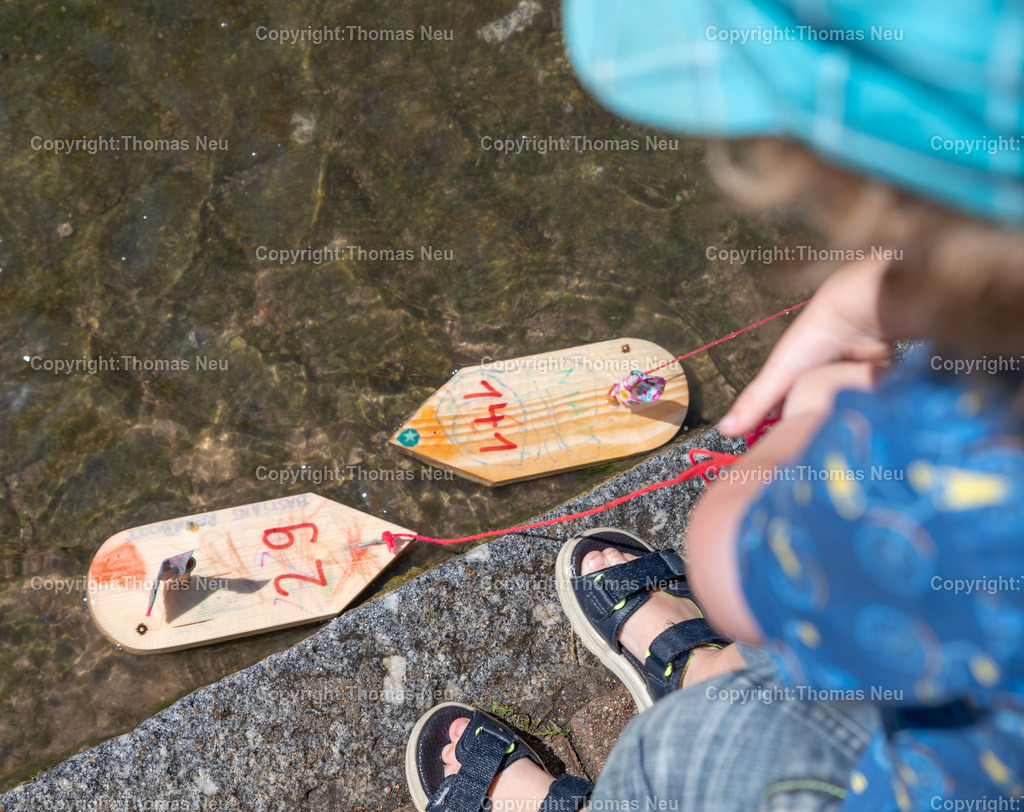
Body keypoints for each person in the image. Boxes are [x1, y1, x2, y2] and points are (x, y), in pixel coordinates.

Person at [404, 0, 1024, 809]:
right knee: (825, 656)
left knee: (682, 749)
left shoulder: (934, 489)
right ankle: (710, 670)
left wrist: (814, 423)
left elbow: (729, 560)